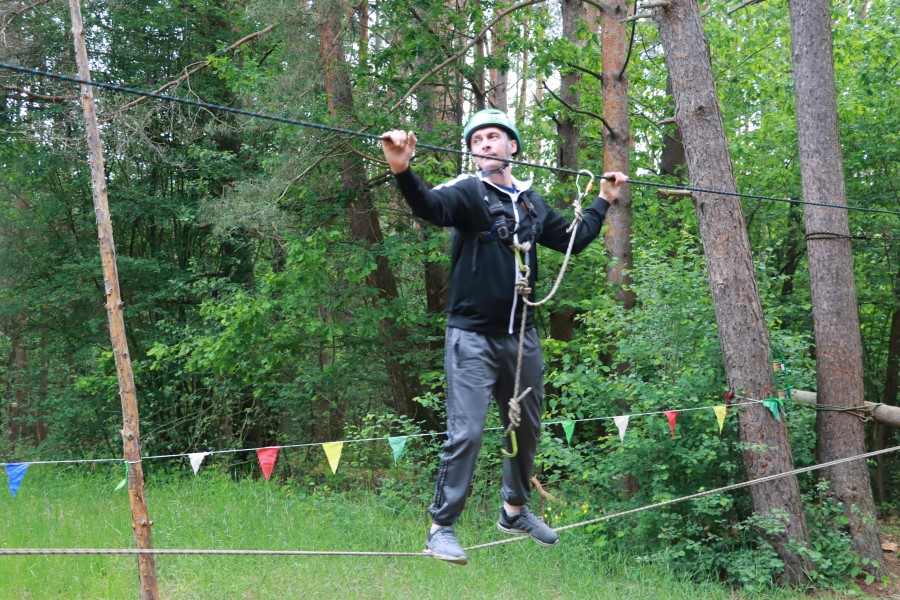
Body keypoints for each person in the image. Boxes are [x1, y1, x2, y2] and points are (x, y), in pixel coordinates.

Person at [381, 109, 628, 565]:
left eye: (494, 137)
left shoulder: (530, 202)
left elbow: (573, 240)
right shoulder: (467, 191)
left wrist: (604, 200)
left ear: (512, 146)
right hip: (471, 336)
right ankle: (440, 528)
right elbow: (430, 208)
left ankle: (514, 511)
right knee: (468, 432)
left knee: (526, 427)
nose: (485, 145)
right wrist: (402, 170)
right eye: (477, 141)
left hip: (522, 338)